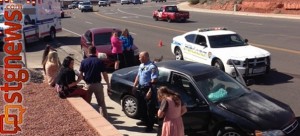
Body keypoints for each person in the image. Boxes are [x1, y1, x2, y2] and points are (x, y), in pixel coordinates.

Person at [79, 46, 110, 118]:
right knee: (101, 104)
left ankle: (87, 118)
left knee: (87, 103)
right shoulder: (99, 61)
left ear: (88, 52)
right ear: (95, 52)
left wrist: (82, 81)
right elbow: (105, 75)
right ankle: (105, 119)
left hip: (88, 84)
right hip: (98, 84)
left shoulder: (84, 62)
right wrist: (108, 84)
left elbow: (80, 75)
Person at [132, 51, 159, 132]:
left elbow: (154, 80)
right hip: (141, 88)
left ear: (145, 57)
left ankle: (150, 126)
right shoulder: (141, 65)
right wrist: (134, 86)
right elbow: (138, 75)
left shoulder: (152, 67)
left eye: (140, 57)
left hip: (148, 89)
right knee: (141, 106)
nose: (139, 59)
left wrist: (150, 91)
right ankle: (144, 120)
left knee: (149, 108)